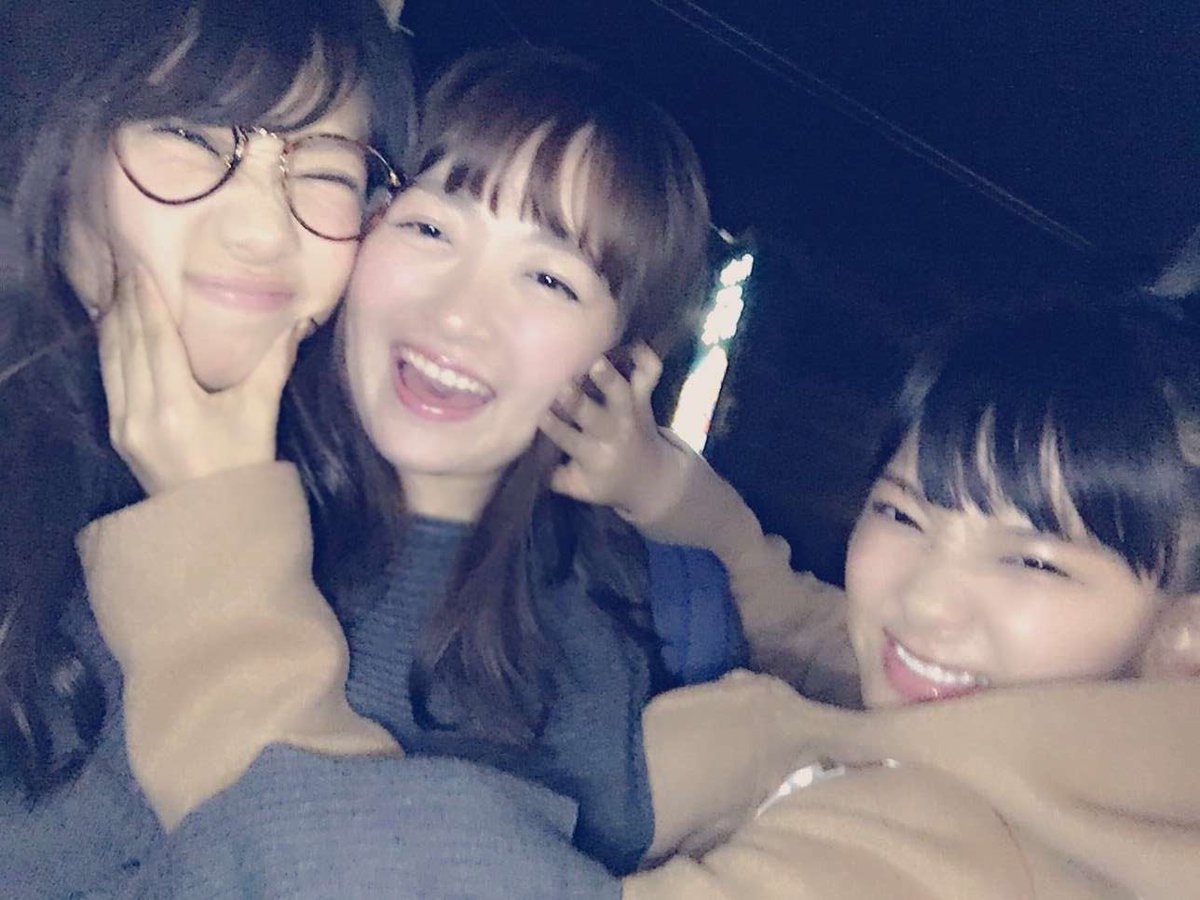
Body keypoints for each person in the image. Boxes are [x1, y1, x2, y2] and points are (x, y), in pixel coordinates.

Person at [93, 300, 1200, 897]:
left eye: (1033, 562)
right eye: (904, 514)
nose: (926, 603)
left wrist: (212, 545)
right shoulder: (1094, 774)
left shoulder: (954, 852)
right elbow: (815, 624)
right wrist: (665, 489)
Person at [76, 44, 730, 878]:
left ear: (621, 366)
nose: (458, 314)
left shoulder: (602, 672)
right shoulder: (133, 470)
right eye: (429, 229)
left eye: (549, 279)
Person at [0, 0, 413, 892]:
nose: (264, 230)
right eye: (190, 133)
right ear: (61, 150)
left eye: (326, 169)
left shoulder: (365, 508)